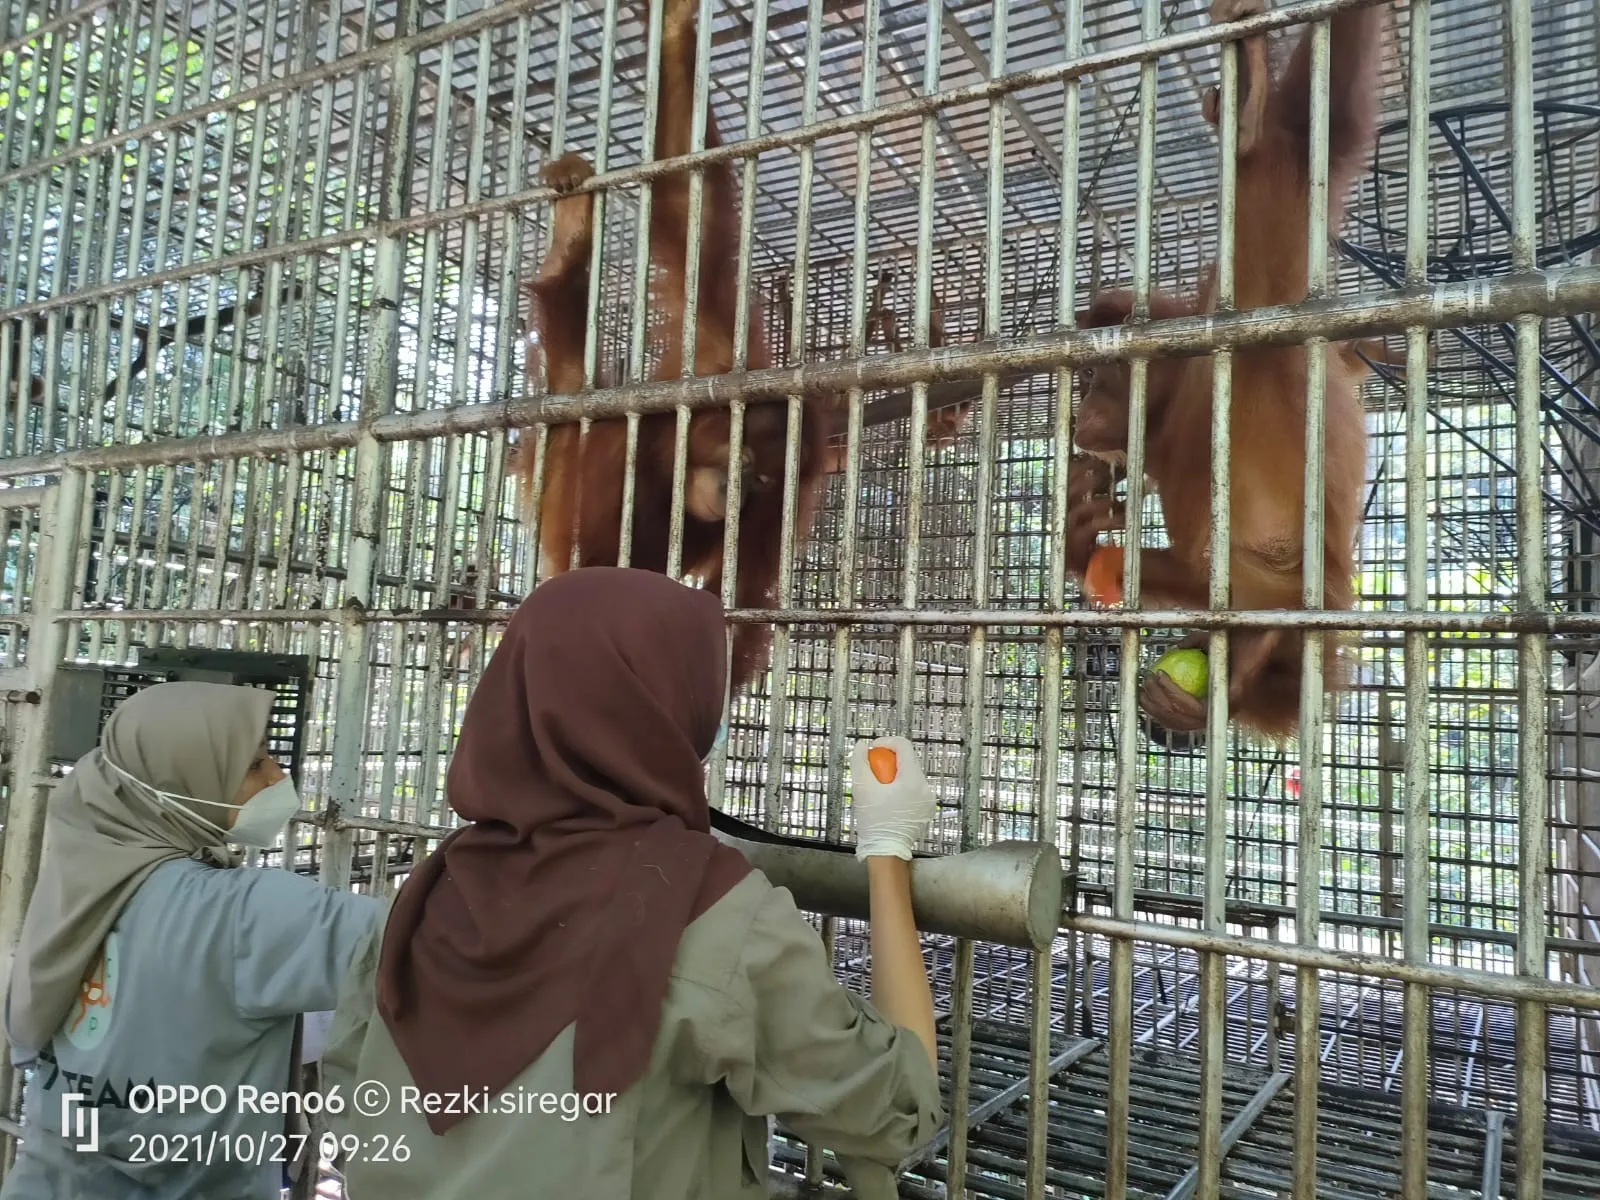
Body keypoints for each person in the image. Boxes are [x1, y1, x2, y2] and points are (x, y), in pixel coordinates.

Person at [321, 566, 946, 1199]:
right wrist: (887, 850)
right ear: (659, 710)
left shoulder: (420, 897)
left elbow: (348, 1101)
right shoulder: (709, 913)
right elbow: (897, 1109)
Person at [0, 681, 385, 1200]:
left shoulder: (79, 879)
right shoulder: (241, 911)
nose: (278, 776)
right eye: (256, 764)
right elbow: (428, 942)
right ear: (175, 783)